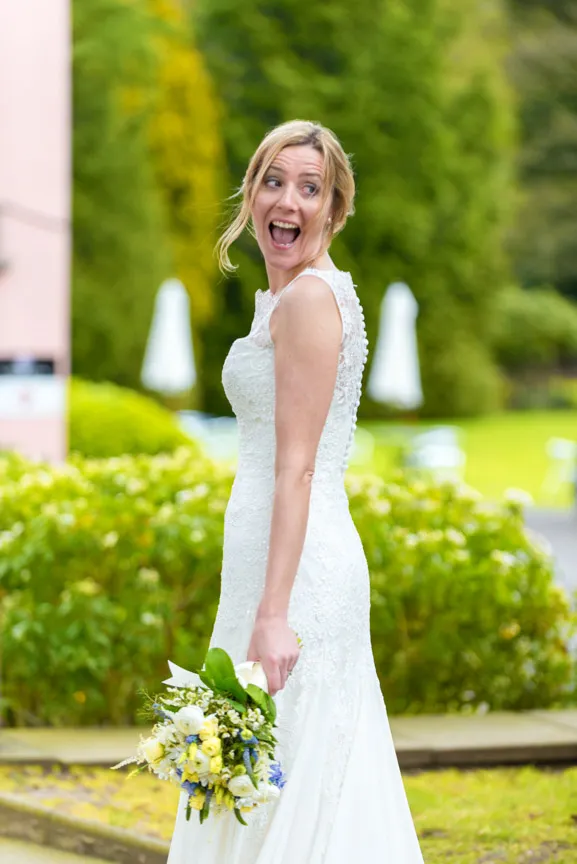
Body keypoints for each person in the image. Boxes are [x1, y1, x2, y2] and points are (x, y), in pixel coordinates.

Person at [168, 120, 424, 863]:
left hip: (298, 576)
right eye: (273, 182)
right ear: (250, 195)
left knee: (296, 781)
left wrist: (274, 613)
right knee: (259, 780)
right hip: (265, 566)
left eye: (310, 188)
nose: (288, 201)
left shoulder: (310, 301)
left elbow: (297, 468)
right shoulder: (284, 300)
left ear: (335, 210)